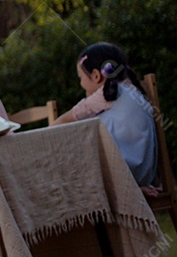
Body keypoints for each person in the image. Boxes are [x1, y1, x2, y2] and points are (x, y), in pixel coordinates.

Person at [51, 42, 158, 188]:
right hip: (142, 174)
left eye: (80, 78)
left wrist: (45, 137)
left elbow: (64, 120)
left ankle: (126, 191)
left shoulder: (103, 96)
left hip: (123, 176)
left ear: (96, 75)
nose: (81, 84)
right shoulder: (133, 90)